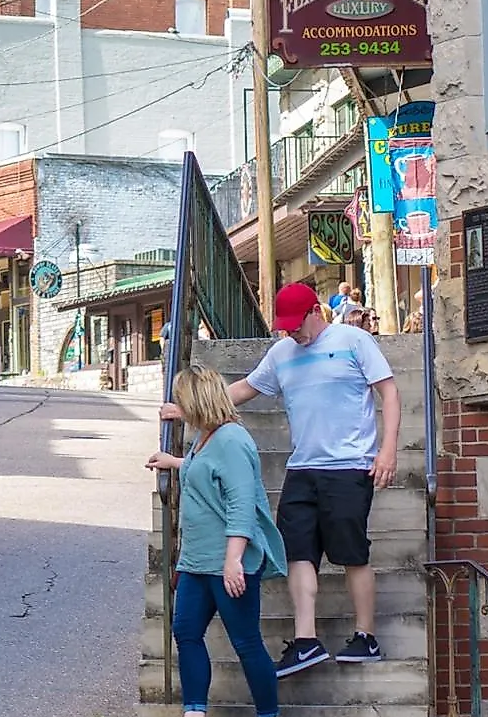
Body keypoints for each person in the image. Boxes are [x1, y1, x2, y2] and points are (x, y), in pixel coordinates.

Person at [170, 281, 399, 677]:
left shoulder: (354, 340)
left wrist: (388, 450)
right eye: (285, 325)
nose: (291, 331)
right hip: (302, 467)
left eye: (297, 323)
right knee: (297, 551)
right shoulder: (281, 353)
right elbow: (243, 389)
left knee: (351, 552)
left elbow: (389, 393)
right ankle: (307, 640)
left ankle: (366, 635)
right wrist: (188, 408)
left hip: (349, 465)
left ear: (316, 311)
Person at [148, 366, 288, 717]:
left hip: (229, 561)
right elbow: (202, 472)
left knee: (246, 642)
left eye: (182, 400)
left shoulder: (232, 440)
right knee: (186, 631)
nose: (178, 407)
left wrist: (234, 560)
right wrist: (173, 462)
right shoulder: (203, 438)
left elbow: (241, 504)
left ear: (198, 401)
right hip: (196, 561)